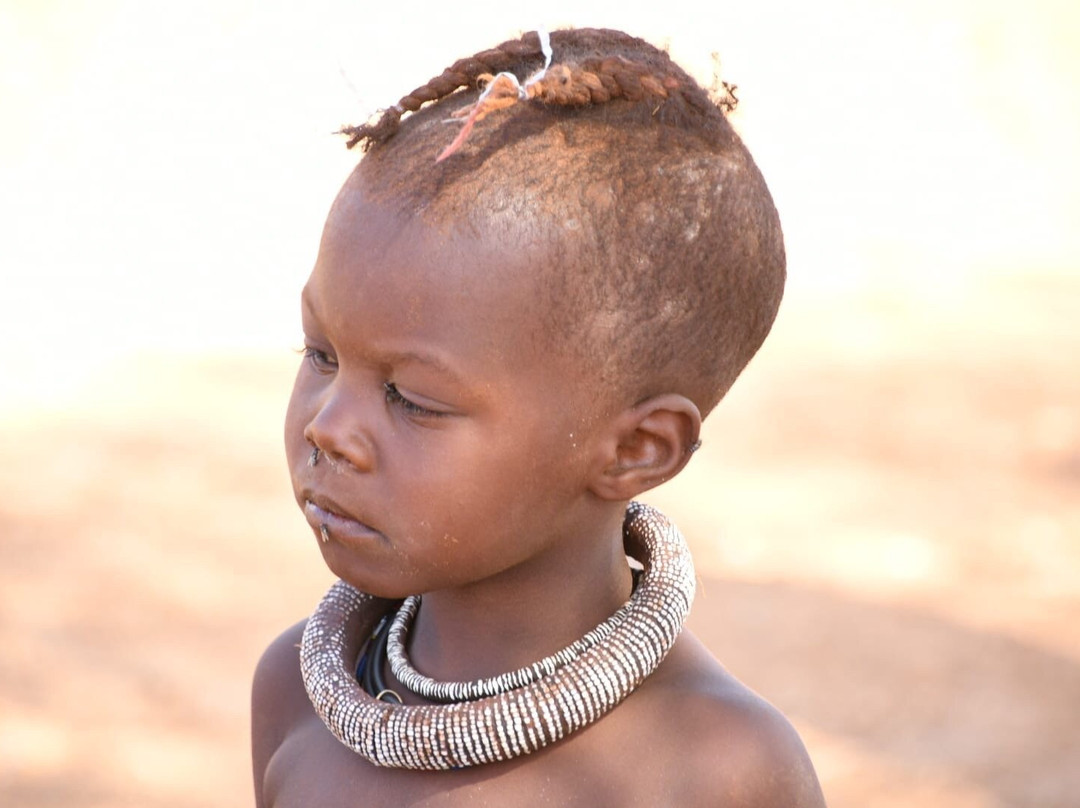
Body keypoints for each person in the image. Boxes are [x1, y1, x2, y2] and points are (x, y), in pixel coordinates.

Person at [251, 27, 825, 807]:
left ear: (637, 450)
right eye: (320, 353)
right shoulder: (296, 697)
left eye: (412, 399)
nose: (327, 428)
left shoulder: (716, 773)